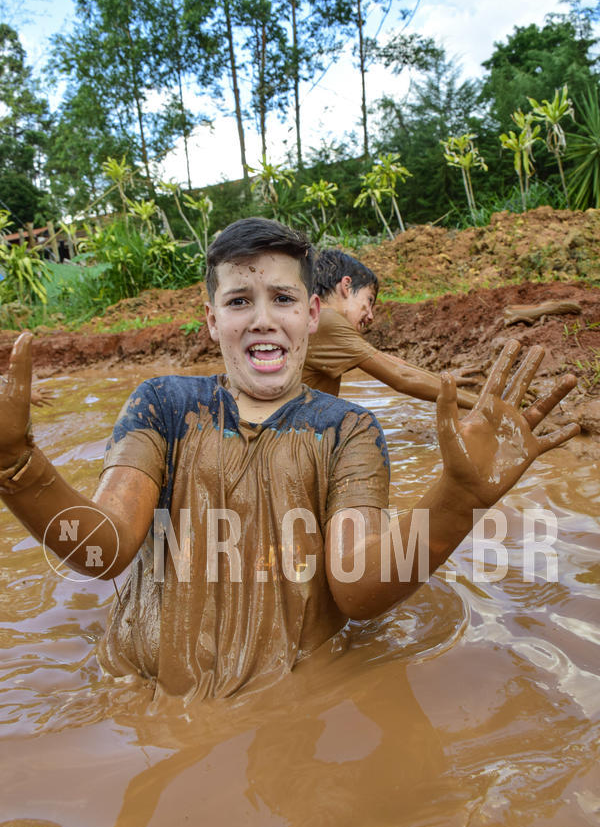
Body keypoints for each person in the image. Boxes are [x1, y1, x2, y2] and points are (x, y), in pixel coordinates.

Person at [0, 217, 579, 703]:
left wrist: (456, 501)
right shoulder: (161, 405)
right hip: (138, 689)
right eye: (238, 301)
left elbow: (354, 589)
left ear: (311, 313)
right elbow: (104, 551)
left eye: (282, 298)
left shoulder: (350, 430)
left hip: (287, 688)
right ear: (212, 321)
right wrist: (18, 468)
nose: (261, 318)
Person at [303, 248, 478, 407]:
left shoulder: (315, 320)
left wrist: (443, 381)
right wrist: (485, 406)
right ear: (346, 286)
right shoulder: (326, 320)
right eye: (369, 300)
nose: (371, 316)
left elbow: (390, 363)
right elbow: (401, 378)